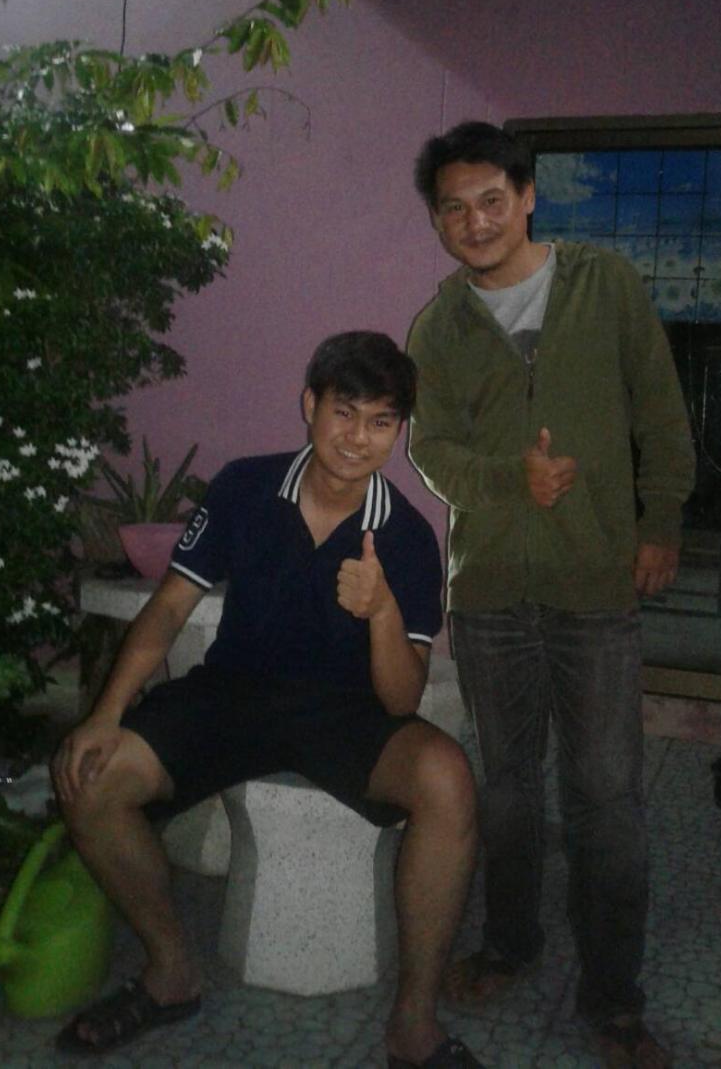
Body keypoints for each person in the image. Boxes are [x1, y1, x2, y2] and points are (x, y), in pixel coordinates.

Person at [51, 330, 483, 1068]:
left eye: (381, 421)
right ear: (309, 404)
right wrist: (105, 713)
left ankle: (414, 1023)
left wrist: (381, 609)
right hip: (234, 692)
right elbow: (169, 607)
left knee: (448, 780)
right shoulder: (243, 487)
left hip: (348, 711)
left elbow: (401, 698)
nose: (358, 438)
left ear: (399, 431)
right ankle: (170, 973)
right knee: (91, 778)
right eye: (344, 412)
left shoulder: (407, 537)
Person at [406, 123, 695, 1069]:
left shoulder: (604, 284)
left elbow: (660, 408)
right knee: (507, 785)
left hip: (593, 581)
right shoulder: (438, 327)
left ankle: (613, 997)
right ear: (438, 219)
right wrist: (509, 482)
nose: (475, 221)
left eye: (492, 199)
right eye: (454, 207)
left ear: (528, 195)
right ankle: (511, 941)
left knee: (606, 793)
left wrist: (661, 518)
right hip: (489, 589)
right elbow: (432, 451)